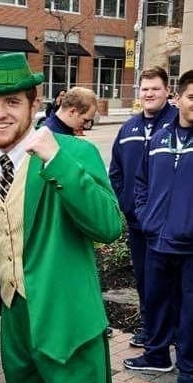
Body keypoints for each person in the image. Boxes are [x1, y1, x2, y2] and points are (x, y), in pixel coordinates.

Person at [0, 52, 121, 383]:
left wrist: (56, 160)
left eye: (12, 102)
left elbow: (108, 226)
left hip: (70, 327)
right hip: (14, 326)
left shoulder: (75, 152)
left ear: (33, 104)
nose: (0, 113)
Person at [123, 70, 193, 382]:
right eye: (191, 97)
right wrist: (146, 216)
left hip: (190, 245)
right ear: (179, 99)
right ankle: (157, 355)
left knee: (190, 311)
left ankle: (188, 369)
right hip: (157, 240)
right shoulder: (161, 137)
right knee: (156, 301)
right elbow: (140, 181)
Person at [109, 66, 177, 349]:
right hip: (138, 223)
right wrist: (127, 204)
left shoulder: (179, 123)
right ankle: (150, 329)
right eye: (145, 89)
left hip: (171, 225)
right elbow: (116, 172)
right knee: (144, 279)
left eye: (155, 89)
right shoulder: (128, 129)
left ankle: (171, 333)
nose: (149, 94)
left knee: (171, 282)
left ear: (167, 91)